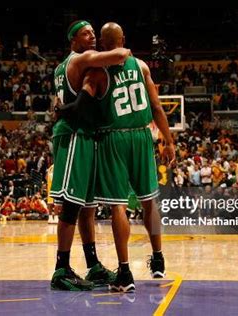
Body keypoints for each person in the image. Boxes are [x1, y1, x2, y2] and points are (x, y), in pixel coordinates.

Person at [60, 22, 175, 292]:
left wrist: (61, 109)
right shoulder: (142, 66)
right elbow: (157, 107)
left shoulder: (97, 72)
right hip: (142, 135)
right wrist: (168, 141)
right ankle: (158, 259)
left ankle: (124, 272)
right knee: (149, 202)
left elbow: (81, 107)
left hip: (113, 138)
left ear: (101, 41)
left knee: (118, 206)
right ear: (123, 38)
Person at [49, 20, 131, 291]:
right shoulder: (81, 59)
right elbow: (119, 56)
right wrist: (122, 47)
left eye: (94, 33)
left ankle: (93, 264)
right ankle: (61, 269)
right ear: (73, 39)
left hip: (79, 133)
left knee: (87, 205)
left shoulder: (60, 68)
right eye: (86, 34)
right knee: (71, 204)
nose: (92, 37)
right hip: (75, 134)